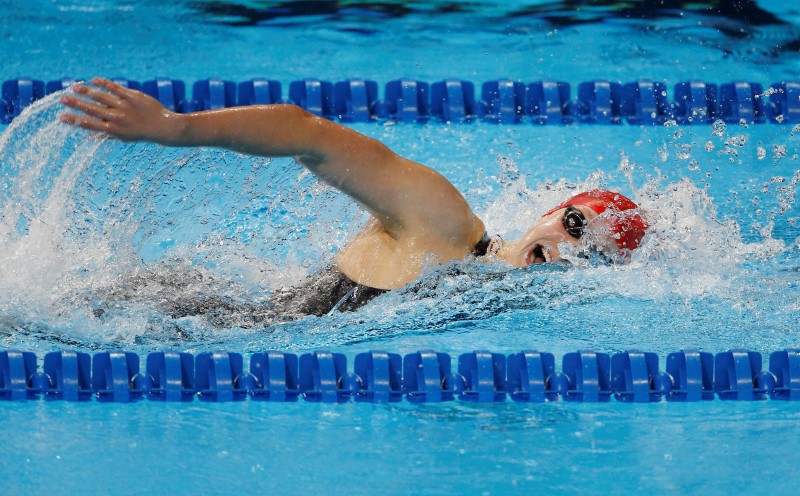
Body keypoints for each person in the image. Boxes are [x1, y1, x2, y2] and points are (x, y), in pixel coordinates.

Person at [60, 78, 648, 315]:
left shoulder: (499, 302)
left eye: (590, 252)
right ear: (550, 212)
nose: (567, 251)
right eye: (574, 225)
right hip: (183, 323)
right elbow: (306, 134)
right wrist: (176, 127)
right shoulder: (443, 221)